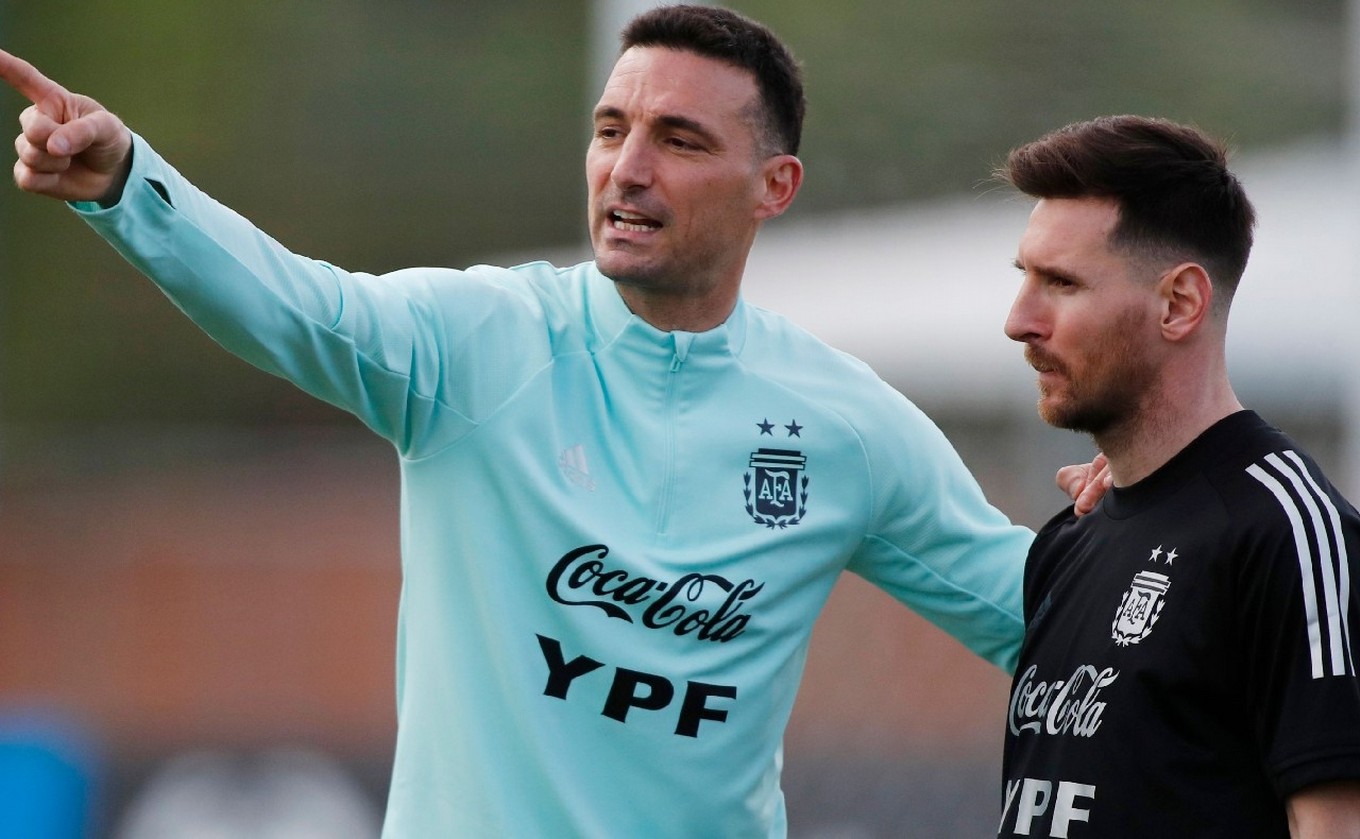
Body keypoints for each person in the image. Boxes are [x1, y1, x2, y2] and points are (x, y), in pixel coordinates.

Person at [2, 6, 1103, 836]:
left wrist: (1143, 527)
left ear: (774, 185)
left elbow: (1045, 616)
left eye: (676, 138)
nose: (627, 167)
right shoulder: (482, 341)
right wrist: (128, 187)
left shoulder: (846, 424)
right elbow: (297, 304)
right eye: (610, 128)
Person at [995, 114, 1360, 838]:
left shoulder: (1287, 531)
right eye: (1024, 278)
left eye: (1060, 283)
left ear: (1179, 303)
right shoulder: (1069, 542)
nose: (1018, 320)